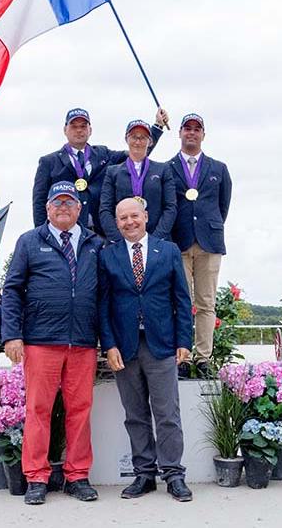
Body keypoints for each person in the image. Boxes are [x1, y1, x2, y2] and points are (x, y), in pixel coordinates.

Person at [1, 181, 105, 505]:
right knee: (38, 409)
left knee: (80, 410)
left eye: (69, 202)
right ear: (47, 209)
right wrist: (12, 335)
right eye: (56, 203)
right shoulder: (30, 241)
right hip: (41, 341)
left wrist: (107, 339)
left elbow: (104, 295)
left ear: (79, 208)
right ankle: (36, 477)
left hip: (83, 342)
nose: (63, 207)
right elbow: (12, 290)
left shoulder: (94, 244)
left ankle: (78, 475)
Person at [99, 198, 194, 502]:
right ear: (116, 223)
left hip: (162, 343)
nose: (129, 222)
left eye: (134, 216)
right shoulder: (108, 255)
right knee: (135, 414)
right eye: (123, 218)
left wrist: (184, 341)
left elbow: (182, 299)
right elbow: (102, 305)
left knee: (167, 413)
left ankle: (174, 475)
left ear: (146, 216)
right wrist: (109, 344)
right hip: (124, 347)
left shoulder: (167, 251)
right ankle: (144, 475)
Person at [32, 107, 167, 236]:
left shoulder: (103, 154)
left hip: (100, 234)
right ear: (65, 130)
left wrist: (157, 127)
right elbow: (39, 201)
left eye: (83, 126)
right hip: (64, 231)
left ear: (90, 130)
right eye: (74, 126)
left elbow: (137, 152)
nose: (79, 130)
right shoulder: (49, 162)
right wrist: (41, 234)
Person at [167, 113, 231, 377]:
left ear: (203, 134)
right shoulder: (167, 168)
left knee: (206, 303)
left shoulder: (219, 168)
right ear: (180, 133)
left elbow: (223, 205)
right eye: (187, 128)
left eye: (197, 129)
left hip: (209, 242)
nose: (192, 133)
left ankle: (203, 358)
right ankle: (182, 355)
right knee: (180, 301)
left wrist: (209, 226)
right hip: (178, 242)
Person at [99, 120, 177, 243]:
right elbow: (105, 209)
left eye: (143, 137)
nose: (138, 141)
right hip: (122, 242)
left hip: (157, 240)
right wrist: (119, 240)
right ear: (126, 139)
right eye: (134, 137)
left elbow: (170, 207)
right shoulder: (112, 172)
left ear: (150, 141)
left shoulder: (163, 170)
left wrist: (154, 239)